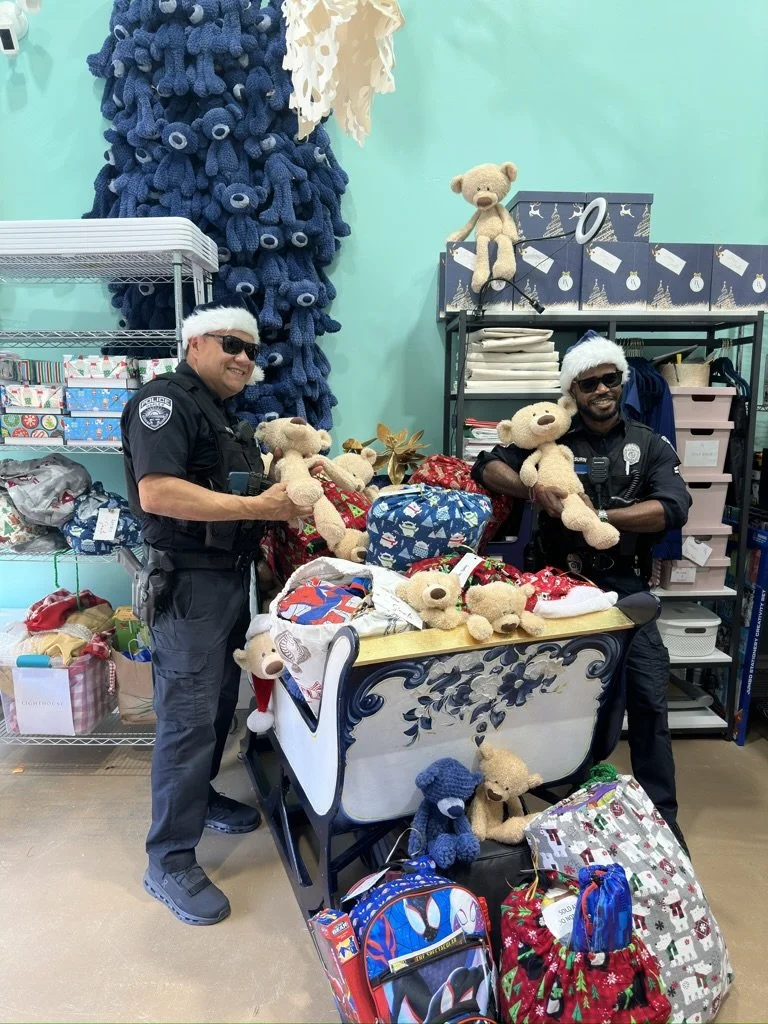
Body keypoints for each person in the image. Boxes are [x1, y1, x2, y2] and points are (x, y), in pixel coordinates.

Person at [122, 301, 313, 926]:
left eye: (251, 350)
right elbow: (159, 491)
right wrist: (261, 512)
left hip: (228, 581)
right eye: (231, 343)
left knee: (214, 706)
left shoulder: (219, 415)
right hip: (189, 587)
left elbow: (224, 494)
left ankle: (198, 798)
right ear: (195, 343)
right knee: (186, 717)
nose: (243, 358)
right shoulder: (165, 403)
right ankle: (169, 859)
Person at [471, 332, 691, 847]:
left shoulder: (649, 444)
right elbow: (485, 465)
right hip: (556, 587)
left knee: (649, 700)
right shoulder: (553, 439)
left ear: (621, 381)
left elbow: (674, 505)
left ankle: (663, 818)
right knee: (554, 700)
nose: (601, 389)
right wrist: (533, 492)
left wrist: (598, 516)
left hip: (623, 589)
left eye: (608, 379)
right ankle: (563, 804)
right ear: (573, 390)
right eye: (588, 382)